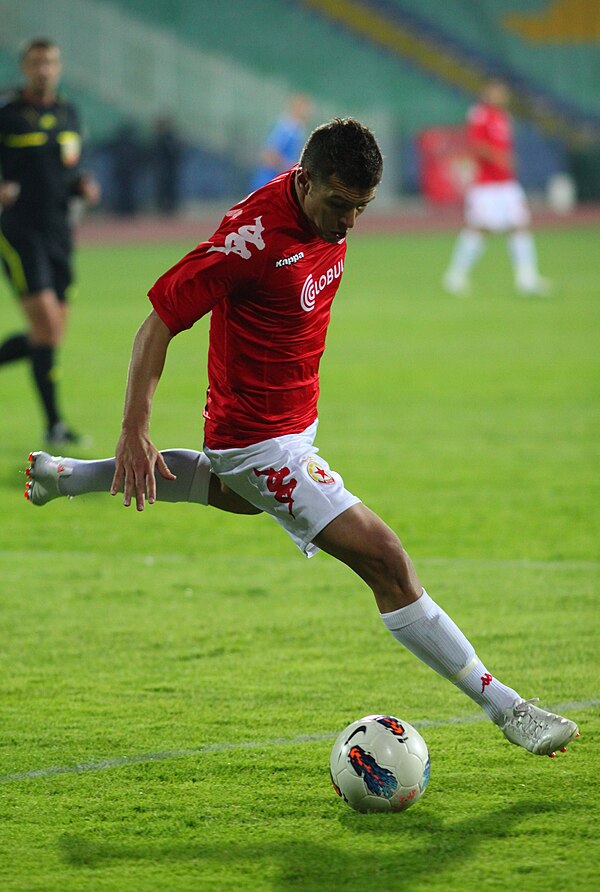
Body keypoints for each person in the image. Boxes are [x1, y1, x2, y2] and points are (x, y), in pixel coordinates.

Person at [25, 117, 578, 759]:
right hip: (260, 440)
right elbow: (158, 321)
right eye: (339, 206)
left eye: (361, 210)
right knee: (387, 561)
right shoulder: (252, 238)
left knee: (233, 495)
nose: (347, 224)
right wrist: (133, 427)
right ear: (304, 179)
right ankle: (511, 711)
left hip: (291, 422)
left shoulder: (324, 207)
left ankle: (64, 476)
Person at [0, 37, 101, 445]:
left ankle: (54, 426)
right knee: (44, 323)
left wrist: (84, 187)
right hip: (19, 231)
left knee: (51, 334)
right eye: (36, 62)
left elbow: (73, 167)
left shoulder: (69, 113)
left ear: (58, 68)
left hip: (60, 231)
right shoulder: (7, 113)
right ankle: (55, 425)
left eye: (50, 62)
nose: (44, 69)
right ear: (25, 66)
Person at [442, 78, 551, 297]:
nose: (500, 95)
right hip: (486, 185)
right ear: (487, 92)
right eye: (496, 91)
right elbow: (476, 144)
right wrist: (499, 157)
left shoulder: (503, 117)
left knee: (520, 225)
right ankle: (455, 275)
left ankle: (527, 279)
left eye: (502, 91)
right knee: (481, 228)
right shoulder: (480, 113)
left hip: (506, 184)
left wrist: (505, 161)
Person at [249, 93, 312, 192]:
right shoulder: (286, 128)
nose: (307, 112)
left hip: (278, 187)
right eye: (304, 108)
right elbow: (268, 154)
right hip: (268, 184)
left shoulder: (298, 129)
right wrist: (291, 170)